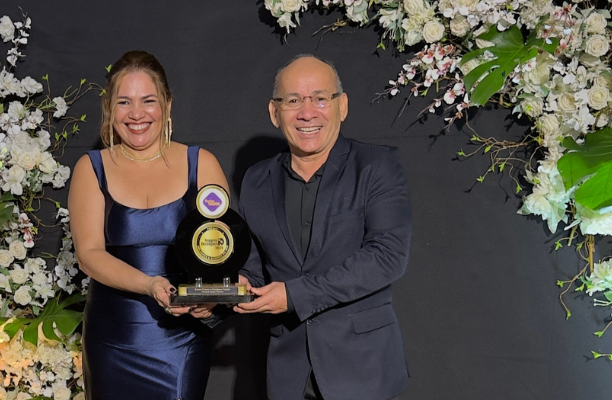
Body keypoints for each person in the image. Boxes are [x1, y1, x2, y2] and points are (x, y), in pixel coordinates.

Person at [234, 55, 411, 400]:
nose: (306, 112)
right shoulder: (256, 180)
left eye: (319, 98)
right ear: (274, 112)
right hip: (287, 373)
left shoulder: (376, 166)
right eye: (293, 100)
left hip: (363, 370)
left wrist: (294, 296)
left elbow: (387, 257)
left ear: (342, 106)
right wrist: (223, 295)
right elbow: (253, 270)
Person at [68, 50, 228, 400]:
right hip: (112, 340)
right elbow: (89, 254)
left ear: (167, 105)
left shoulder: (201, 164)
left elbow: (223, 250)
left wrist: (211, 298)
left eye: (148, 100)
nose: (136, 114)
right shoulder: (91, 168)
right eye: (124, 102)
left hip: (181, 340)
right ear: (109, 108)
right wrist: (149, 284)